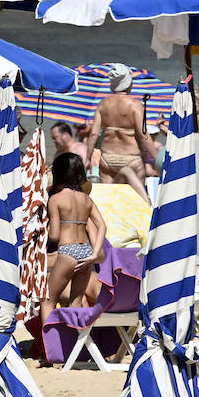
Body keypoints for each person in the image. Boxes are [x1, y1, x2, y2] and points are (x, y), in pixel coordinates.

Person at [43, 152, 106, 324]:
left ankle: (51, 348)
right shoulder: (86, 199)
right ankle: (74, 348)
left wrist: (42, 232)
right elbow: (102, 226)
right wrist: (94, 254)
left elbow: (55, 235)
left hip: (67, 251)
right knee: (76, 303)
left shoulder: (55, 199)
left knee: (48, 301)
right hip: (86, 252)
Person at [84, 64, 156, 203]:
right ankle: (147, 207)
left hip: (107, 159)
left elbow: (93, 134)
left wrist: (87, 158)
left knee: (109, 202)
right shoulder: (135, 105)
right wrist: (157, 158)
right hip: (131, 158)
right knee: (136, 202)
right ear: (129, 83)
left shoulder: (103, 104)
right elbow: (143, 134)